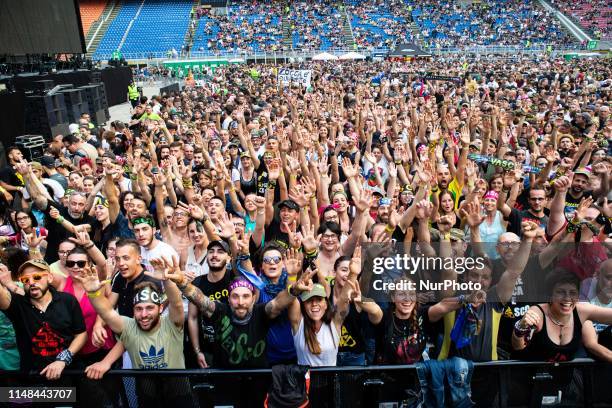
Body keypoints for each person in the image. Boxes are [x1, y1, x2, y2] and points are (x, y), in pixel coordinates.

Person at [77, 255, 192, 407]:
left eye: (150, 308)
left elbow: (176, 304)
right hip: (148, 398)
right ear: (133, 310)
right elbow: (107, 312)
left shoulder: (171, 324)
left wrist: (167, 280)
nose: (144, 314)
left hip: (179, 396)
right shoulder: (129, 326)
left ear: (160, 308)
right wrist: (93, 293)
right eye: (139, 309)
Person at [0, 259, 87, 379]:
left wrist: (63, 359)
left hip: (69, 375)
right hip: (33, 379)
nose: (31, 282)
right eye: (25, 280)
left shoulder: (67, 300)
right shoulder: (18, 305)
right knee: (12, 397)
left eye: (37, 277)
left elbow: (81, 334)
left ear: (50, 278)